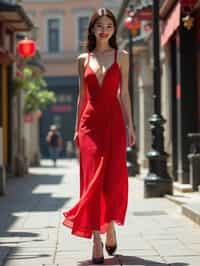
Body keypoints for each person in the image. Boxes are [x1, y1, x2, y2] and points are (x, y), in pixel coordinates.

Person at [62, 8, 136, 264]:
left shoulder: (122, 56)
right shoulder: (83, 58)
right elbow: (81, 97)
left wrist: (131, 125)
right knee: (91, 180)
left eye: (108, 25)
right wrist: (75, 128)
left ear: (114, 29)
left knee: (112, 180)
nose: (104, 30)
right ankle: (96, 238)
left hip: (114, 123)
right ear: (92, 29)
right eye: (99, 25)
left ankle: (111, 226)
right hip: (89, 126)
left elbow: (124, 94)